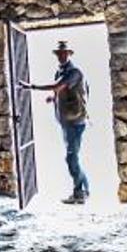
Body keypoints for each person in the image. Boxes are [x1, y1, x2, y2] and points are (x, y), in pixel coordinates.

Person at [18, 41, 91, 204]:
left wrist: (31, 87)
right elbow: (62, 91)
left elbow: (58, 86)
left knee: (71, 157)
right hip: (67, 120)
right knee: (73, 156)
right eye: (59, 53)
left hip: (75, 122)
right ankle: (84, 190)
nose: (61, 56)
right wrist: (54, 98)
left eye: (64, 53)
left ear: (69, 54)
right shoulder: (61, 71)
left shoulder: (74, 72)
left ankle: (80, 192)